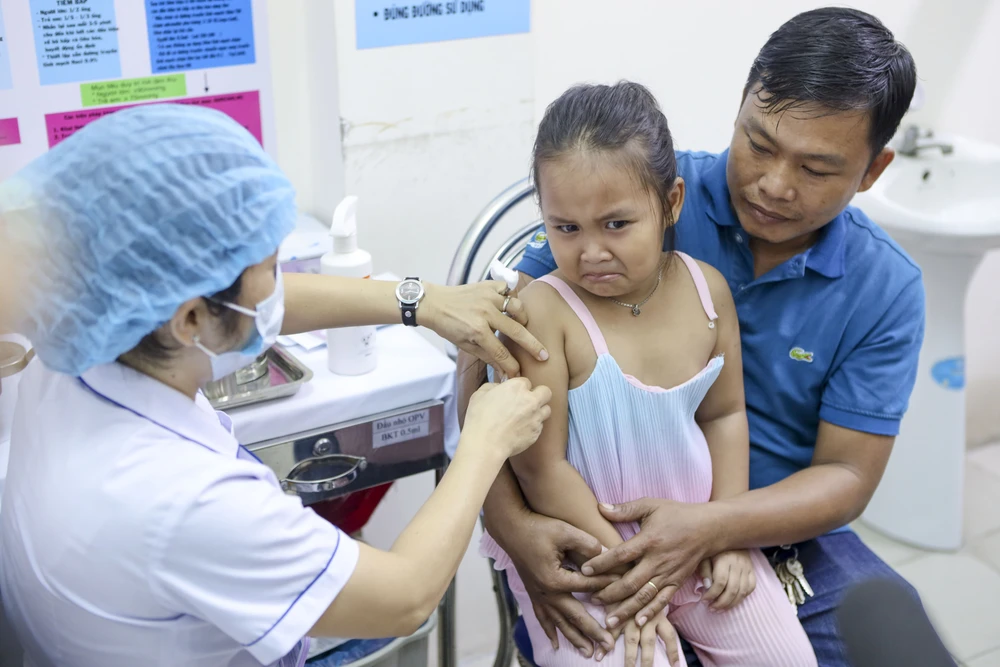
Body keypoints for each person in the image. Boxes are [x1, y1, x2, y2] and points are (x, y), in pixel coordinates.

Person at [0, 103, 554, 667]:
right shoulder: (182, 500)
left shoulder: (78, 336)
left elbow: (256, 302)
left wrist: (419, 300)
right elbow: (406, 596)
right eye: (269, 263)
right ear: (191, 320)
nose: (281, 277)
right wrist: (484, 442)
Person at [458, 7, 924, 666]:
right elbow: (485, 380)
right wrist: (512, 522)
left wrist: (719, 526)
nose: (773, 183)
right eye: (758, 143)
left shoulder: (886, 285)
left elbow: (846, 473)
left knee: (898, 649)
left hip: (769, 524)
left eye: (816, 169)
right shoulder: (632, 191)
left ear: (872, 170)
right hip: (588, 522)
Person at [481, 81, 816, 667]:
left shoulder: (707, 292)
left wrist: (726, 532)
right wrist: (631, 569)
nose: (591, 252)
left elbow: (725, 413)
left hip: (698, 537)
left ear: (671, 202)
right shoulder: (547, 314)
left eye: (616, 224)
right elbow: (541, 468)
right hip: (587, 554)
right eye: (566, 228)